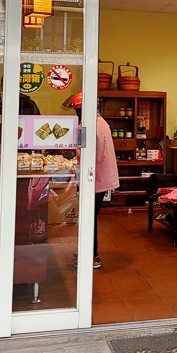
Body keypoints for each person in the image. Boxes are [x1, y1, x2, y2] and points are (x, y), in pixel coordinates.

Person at [67, 92, 118, 269]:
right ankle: (88, 252)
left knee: (89, 217)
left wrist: (75, 160)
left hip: (95, 178)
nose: (77, 115)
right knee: (91, 217)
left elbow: (90, 154)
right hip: (99, 177)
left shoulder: (93, 126)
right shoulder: (100, 122)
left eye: (78, 111)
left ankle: (92, 256)